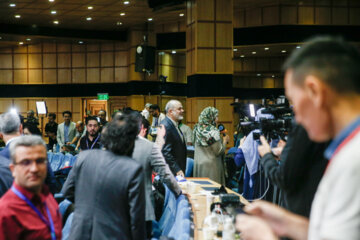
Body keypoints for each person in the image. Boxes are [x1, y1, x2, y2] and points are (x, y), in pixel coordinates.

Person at [236, 37, 360, 240]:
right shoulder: (345, 149)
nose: (296, 118)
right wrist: (288, 223)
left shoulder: (354, 159)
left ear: (315, 92)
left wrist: (265, 236)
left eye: (293, 101)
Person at [62, 113, 146, 240]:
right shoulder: (133, 169)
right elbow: (136, 220)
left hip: (78, 234)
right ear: (131, 141)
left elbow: (66, 193)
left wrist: (86, 207)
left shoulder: (84, 157)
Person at [257, 123, 329, 217]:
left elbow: (281, 178)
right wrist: (285, 154)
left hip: (300, 213)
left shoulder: (303, 130)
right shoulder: (323, 137)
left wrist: (266, 156)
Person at [130, 111, 182, 237]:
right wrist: (179, 192)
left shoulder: (114, 145)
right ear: (142, 128)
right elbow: (165, 174)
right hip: (143, 209)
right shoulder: (147, 146)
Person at [0, 135, 62, 239]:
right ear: (13, 169)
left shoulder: (49, 199)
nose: (34, 169)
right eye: (25, 162)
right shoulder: (6, 212)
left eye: (40, 161)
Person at [0, 112, 56, 194]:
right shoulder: (38, 148)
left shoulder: (2, 157)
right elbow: (51, 182)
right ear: (20, 128)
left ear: (0, 135)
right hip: (39, 204)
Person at [193, 107, 229, 185]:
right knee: (212, 192)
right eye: (216, 116)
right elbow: (218, 151)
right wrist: (225, 141)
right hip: (211, 168)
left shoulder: (196, 129)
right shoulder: (213, 131)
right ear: (211, 117)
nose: (217, 119)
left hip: (199, 165)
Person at [161, 100, 187, 177]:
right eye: (179, 109)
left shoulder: (174, 124)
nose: (182, 110)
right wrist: (177, 169)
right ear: (170, 111)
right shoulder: (166, 125)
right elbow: (165, 152)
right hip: (171, 171)